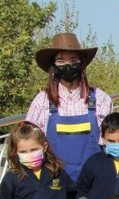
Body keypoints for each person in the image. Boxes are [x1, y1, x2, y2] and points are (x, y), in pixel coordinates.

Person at [27, 32, 113, 181]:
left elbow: (112, 143)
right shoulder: (42, 101)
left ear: (82, 64)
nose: (67, 65)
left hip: (94, 181)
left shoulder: (101, 99)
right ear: (53, 66)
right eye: (61, 61)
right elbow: (28, 143)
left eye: (73, 60)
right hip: (55, 182)